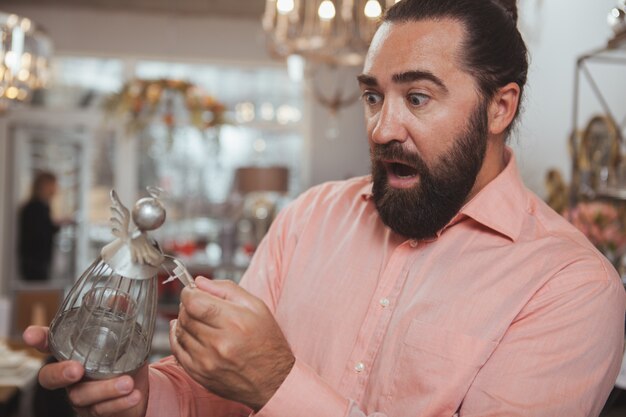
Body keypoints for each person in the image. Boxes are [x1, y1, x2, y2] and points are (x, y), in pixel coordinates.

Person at [23, 0, 626, 416]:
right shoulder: (310, 217)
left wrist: (278, 384)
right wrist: (141, 394)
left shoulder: (571, 287)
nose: (384, 127)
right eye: (373, 95)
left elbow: (262, 388)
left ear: (500, 108)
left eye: (418, 97)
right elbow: (218, 401)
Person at [18, 171, 60, 281]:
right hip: (35, 262)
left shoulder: (40, 206)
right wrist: (55, 226)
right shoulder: (35, 208)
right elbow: (40, 234)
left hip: (37, 261)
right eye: (53, 185)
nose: (55, 189)